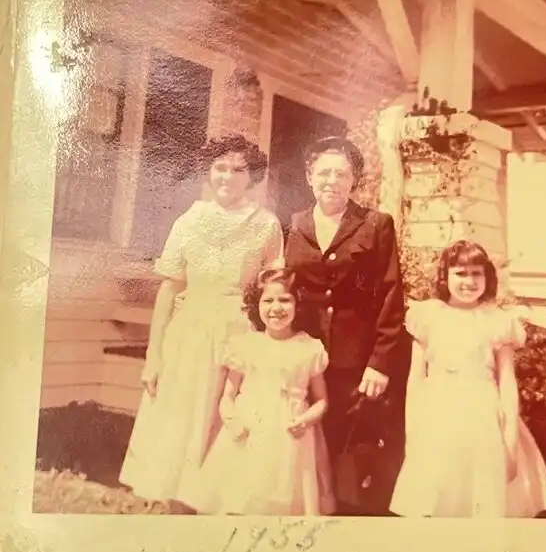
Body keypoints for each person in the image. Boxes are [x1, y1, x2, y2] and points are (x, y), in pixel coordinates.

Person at [119, 134, 284, 512]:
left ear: (252, 175)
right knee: (182, 423)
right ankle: (177, 509)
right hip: (190, 336)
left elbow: (272, 289)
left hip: (239, 336)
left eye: (238, 170)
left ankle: (215, 512)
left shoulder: (266, 225)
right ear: (208, 172)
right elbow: (169, 290)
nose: (227, 176)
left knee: (227, 423)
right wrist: (153, 357)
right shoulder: (189, 222)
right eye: (220, 168)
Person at [389, 239, 546, 518]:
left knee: (484, 494)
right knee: (438, 495)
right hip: (438, 416)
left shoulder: (497, 320)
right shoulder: (429, 317)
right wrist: (412, 435)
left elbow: (507, 384)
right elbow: (416, 380)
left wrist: (511, 443)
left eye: (476, 273)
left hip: (484, 417)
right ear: (445, 276)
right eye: (460, 273)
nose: (469, 281)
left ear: (487, 276)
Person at [284, 136, 409, 515]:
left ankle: (345, 523)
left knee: (347, 450)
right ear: (309, 176)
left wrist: (380, 362)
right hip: (303, 356)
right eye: (324, 173)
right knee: (303, 441)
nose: (332, 181)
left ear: (354, 179)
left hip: (355, 363)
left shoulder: (375, 224)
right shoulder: (294, 224)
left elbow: (391, 295)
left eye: (342, 174)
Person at [182, 268, 334, 516]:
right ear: (256, 305)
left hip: (291, 435)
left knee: (284, 498)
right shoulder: (246, 345)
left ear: (298, 305)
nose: (276, 308)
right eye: (268, 300)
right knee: (242, 494)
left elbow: (322, 400)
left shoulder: (309, 347)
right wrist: (231, 419)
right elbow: (228, 395)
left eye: (285, 300)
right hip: (249, 431)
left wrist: (307, 419)